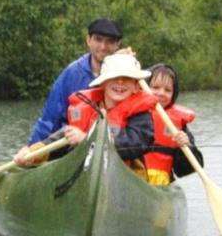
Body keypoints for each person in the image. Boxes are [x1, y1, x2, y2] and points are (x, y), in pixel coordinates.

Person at [15, 53, 158, 176]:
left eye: (126, 78)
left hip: (125, 178)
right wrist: (32, 153)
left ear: (135, 87)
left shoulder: (140, 115)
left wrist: (88, 139)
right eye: (114, 77)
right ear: (103, 83)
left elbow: (136, 144)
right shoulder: (89, 108)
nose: (120, 82)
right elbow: (62, 138)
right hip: (87, 173)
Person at [28, 18, 123, 145]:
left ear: (118, 45)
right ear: (88, 40)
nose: (103, 47)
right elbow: (49, 120)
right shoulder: (71, 74)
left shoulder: (128, 75)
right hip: (72, 146)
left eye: (110, 42)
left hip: (115, 145)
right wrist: (32, 149)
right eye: (98, 39)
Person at [143, 63, 204, 185]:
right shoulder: (133, 114)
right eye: (155, 87)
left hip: (163, 184)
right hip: (135, 179)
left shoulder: (178, 125)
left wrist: (186, 147)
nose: (161, 93)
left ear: (173, 94)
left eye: (168, 90)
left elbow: (186, 170)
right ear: (145, 87)